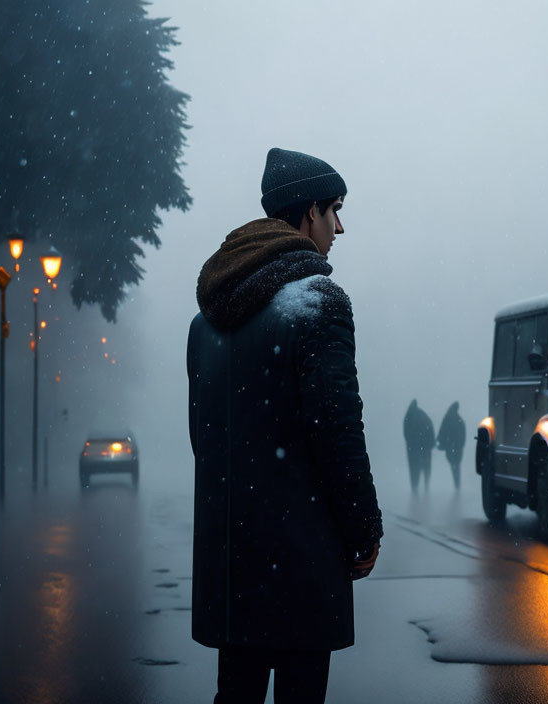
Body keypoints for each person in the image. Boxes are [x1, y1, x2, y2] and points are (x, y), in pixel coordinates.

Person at [187, 147, 383, 704]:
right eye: (334, 210)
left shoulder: (207, 321)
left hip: (233, 564)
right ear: (306, 215)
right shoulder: (319, 304)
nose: (339, 227)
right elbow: (338, 431)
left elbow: (204, 439)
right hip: (301, 562)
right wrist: (363, 529)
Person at [403, 399, 435, 494]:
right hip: (425, 448)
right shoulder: (423, 415)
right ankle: (426, 487)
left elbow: (406, 433)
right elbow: (430, 429)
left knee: (414, 469)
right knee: (426, 468)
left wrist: (411, 443)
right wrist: (430, 444)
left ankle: (415, 488)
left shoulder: (408, 416)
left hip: (413, 448)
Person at [436, 401, 466, 490]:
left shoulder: (447, 418)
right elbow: (463, 436)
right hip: (457, 448)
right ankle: (457, 484)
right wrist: (460, 445)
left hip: (450, 448)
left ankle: (457, 485)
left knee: (453, 465)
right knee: (456, 466)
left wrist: (440, 443)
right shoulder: (460, 420)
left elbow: (442, 432)